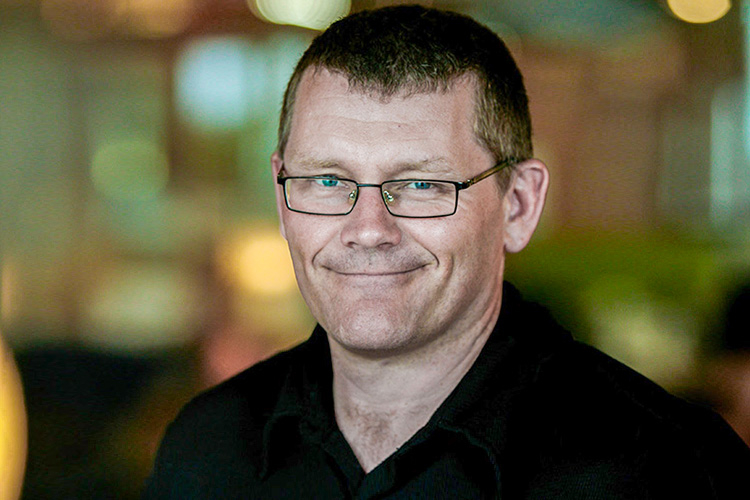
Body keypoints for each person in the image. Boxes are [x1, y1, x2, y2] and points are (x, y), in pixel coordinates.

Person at [144, 5, 750, 498]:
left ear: (518, 205)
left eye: (423, 185)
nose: (369, 228)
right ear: (281, 198)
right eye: (327, 182)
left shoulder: (665, 470)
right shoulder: (208, 450)